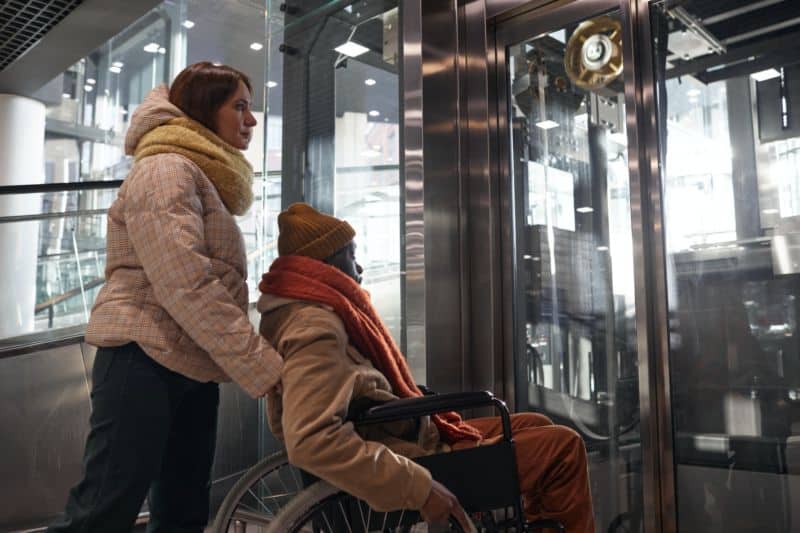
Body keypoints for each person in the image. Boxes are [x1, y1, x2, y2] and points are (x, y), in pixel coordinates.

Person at [257, 203, 596, 532]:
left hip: (404, 435)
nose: (359, 269)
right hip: (411, 458)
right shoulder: (315, 328)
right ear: (325, 263)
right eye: (351, 256)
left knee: (536, 423)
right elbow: (312, 440)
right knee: (564, 449)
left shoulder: (310, 313)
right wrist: (417, 487)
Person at [48, 62, 283, 533]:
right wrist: (261, 364)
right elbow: (185, 281)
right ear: (203, 110)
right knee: (102, 513)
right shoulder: (165, 169)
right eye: (239, 106)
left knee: (182, 512)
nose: (251, 119)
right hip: (143, 359)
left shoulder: (198, 173)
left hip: (189, 363)